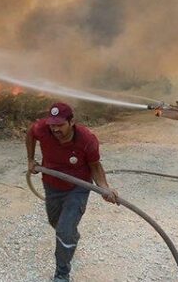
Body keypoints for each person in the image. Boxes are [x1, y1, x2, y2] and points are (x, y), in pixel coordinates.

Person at [26, 102, 118, 282]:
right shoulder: (43, 129)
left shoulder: (87, 139)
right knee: (56, 223)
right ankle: (71, 236)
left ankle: (62, 273)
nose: (55, 129)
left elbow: (95, 167)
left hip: (78, 188)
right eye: (52, 125)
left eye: (60, 125)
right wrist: (30, 159)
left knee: (64, 230)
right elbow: (30, 133)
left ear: (72, 122)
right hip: (51, 184)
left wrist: (104, 188)